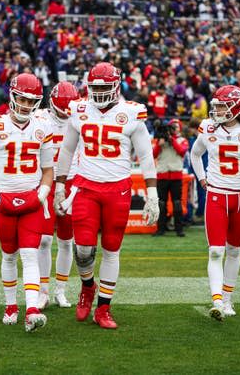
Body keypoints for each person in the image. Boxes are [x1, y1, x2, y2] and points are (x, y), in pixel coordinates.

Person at [54, 62, 159, 329]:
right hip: (86, 187)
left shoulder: (132, 113)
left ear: (116, 86)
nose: (99, 92)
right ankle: (87, 287)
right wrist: (59, 185)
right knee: (83, 248)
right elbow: (66, 151)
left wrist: (152, 193)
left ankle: (103, 308)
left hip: (118, 189)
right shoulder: (79, 110)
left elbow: (145, 155)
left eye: (104, 87)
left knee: (112, 250)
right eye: (95, 87)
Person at [0, 73, 53, 332]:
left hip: (31, 199)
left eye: (32, 101)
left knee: (30, 254)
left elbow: (48, 170)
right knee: (9, 256)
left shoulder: (42, 126)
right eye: (22, 98)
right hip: (4, 200)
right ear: (12, 95)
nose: (26, 105)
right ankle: (11, 306)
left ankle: (31, 309)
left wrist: (39, 197)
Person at [190, 85, 240, 321]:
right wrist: (202, 178)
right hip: (217, 195)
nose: (216, 110)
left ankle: (227, 298)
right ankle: (216, 299)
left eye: (222, 106)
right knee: (216, 251)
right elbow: (195, 154)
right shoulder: (208, 128)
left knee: (234, 249)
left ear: (236, 107)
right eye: (216, 106)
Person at [36, 81, 78, 309]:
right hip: (47, 180)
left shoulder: (79, 118)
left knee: (66, 240)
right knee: (43, 239)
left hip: (70, 181)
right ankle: (42, 290)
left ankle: (60, 290)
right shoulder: (40, 118)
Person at [152, 118, 189, 237]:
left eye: (176, 126)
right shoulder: (160, 140)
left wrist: (171, 139)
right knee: (161, 203)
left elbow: (182, 151)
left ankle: (179, 229)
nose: (174, 129)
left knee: (177, 203)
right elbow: (153, 154)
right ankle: (160, 229)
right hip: (162, 175)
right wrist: (159, 144)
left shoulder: (183, 140)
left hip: (176, 176)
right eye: (172, 126)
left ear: (180, 128)